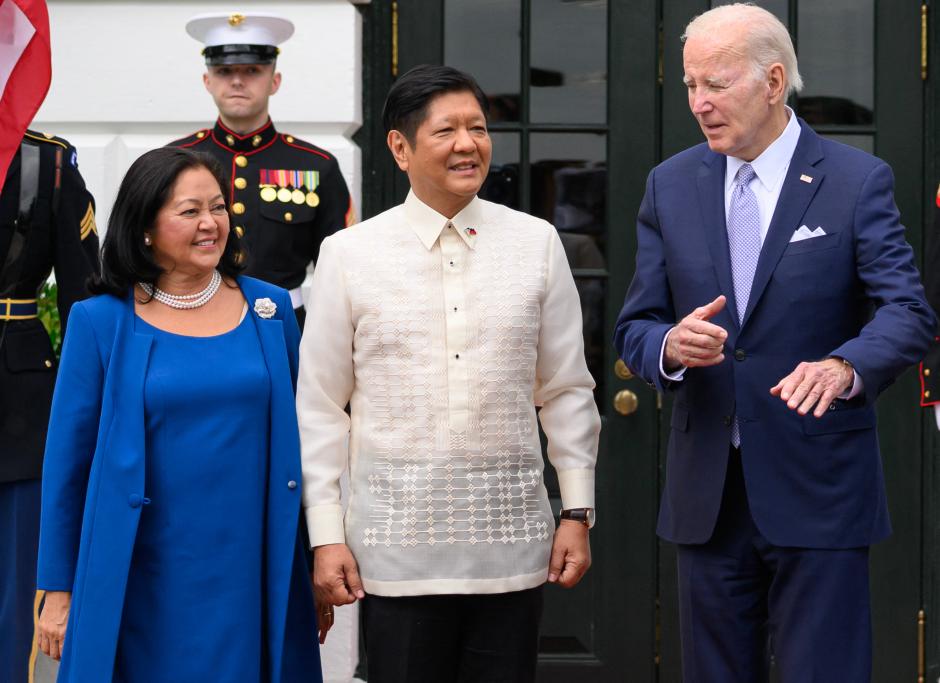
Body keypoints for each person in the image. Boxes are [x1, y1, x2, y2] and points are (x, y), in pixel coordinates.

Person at [614, 4, 934, 681]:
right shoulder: (669, 185)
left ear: (773, 80)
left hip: (819, 491)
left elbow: (906, 312)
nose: (699, 103)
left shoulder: (854, 181)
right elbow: (635, 326)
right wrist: (670, 345)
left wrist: (846, 365)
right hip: (708, 499)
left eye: (717, 84)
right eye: (691, 84)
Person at [296, 65, 601, 683]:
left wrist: (576, 512)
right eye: (447, 131)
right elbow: (322, 406)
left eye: (479, 128)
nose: (469, 144)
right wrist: (325, 534)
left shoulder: (536, 243)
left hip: (513, 549)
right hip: (393, 549)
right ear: (401, 147)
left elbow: (566, 386)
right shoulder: (350, 254)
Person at [34, 147, 320, 682]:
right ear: (145, 227)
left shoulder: (270, 309)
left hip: (250, 562)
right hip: (138, 567)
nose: (210, 223)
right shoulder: (99, 321)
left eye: (217, 207)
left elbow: (309, 441)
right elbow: (66, 466)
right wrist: (56, 587)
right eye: (189, 212)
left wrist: (318, 553)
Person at [170, 12, 354, 327]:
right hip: (187, 322)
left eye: (253, 70)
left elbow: (343, 270)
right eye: (225, 70)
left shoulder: (315, 166)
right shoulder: (174, 161)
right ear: (207, 81)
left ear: (275, 80)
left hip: (283, 325)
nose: (238, 80)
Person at [0, 130, 99, 683]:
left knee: (18, 592)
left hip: (18, 402)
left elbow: (84, 296)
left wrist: (83, 411)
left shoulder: (45, 161)